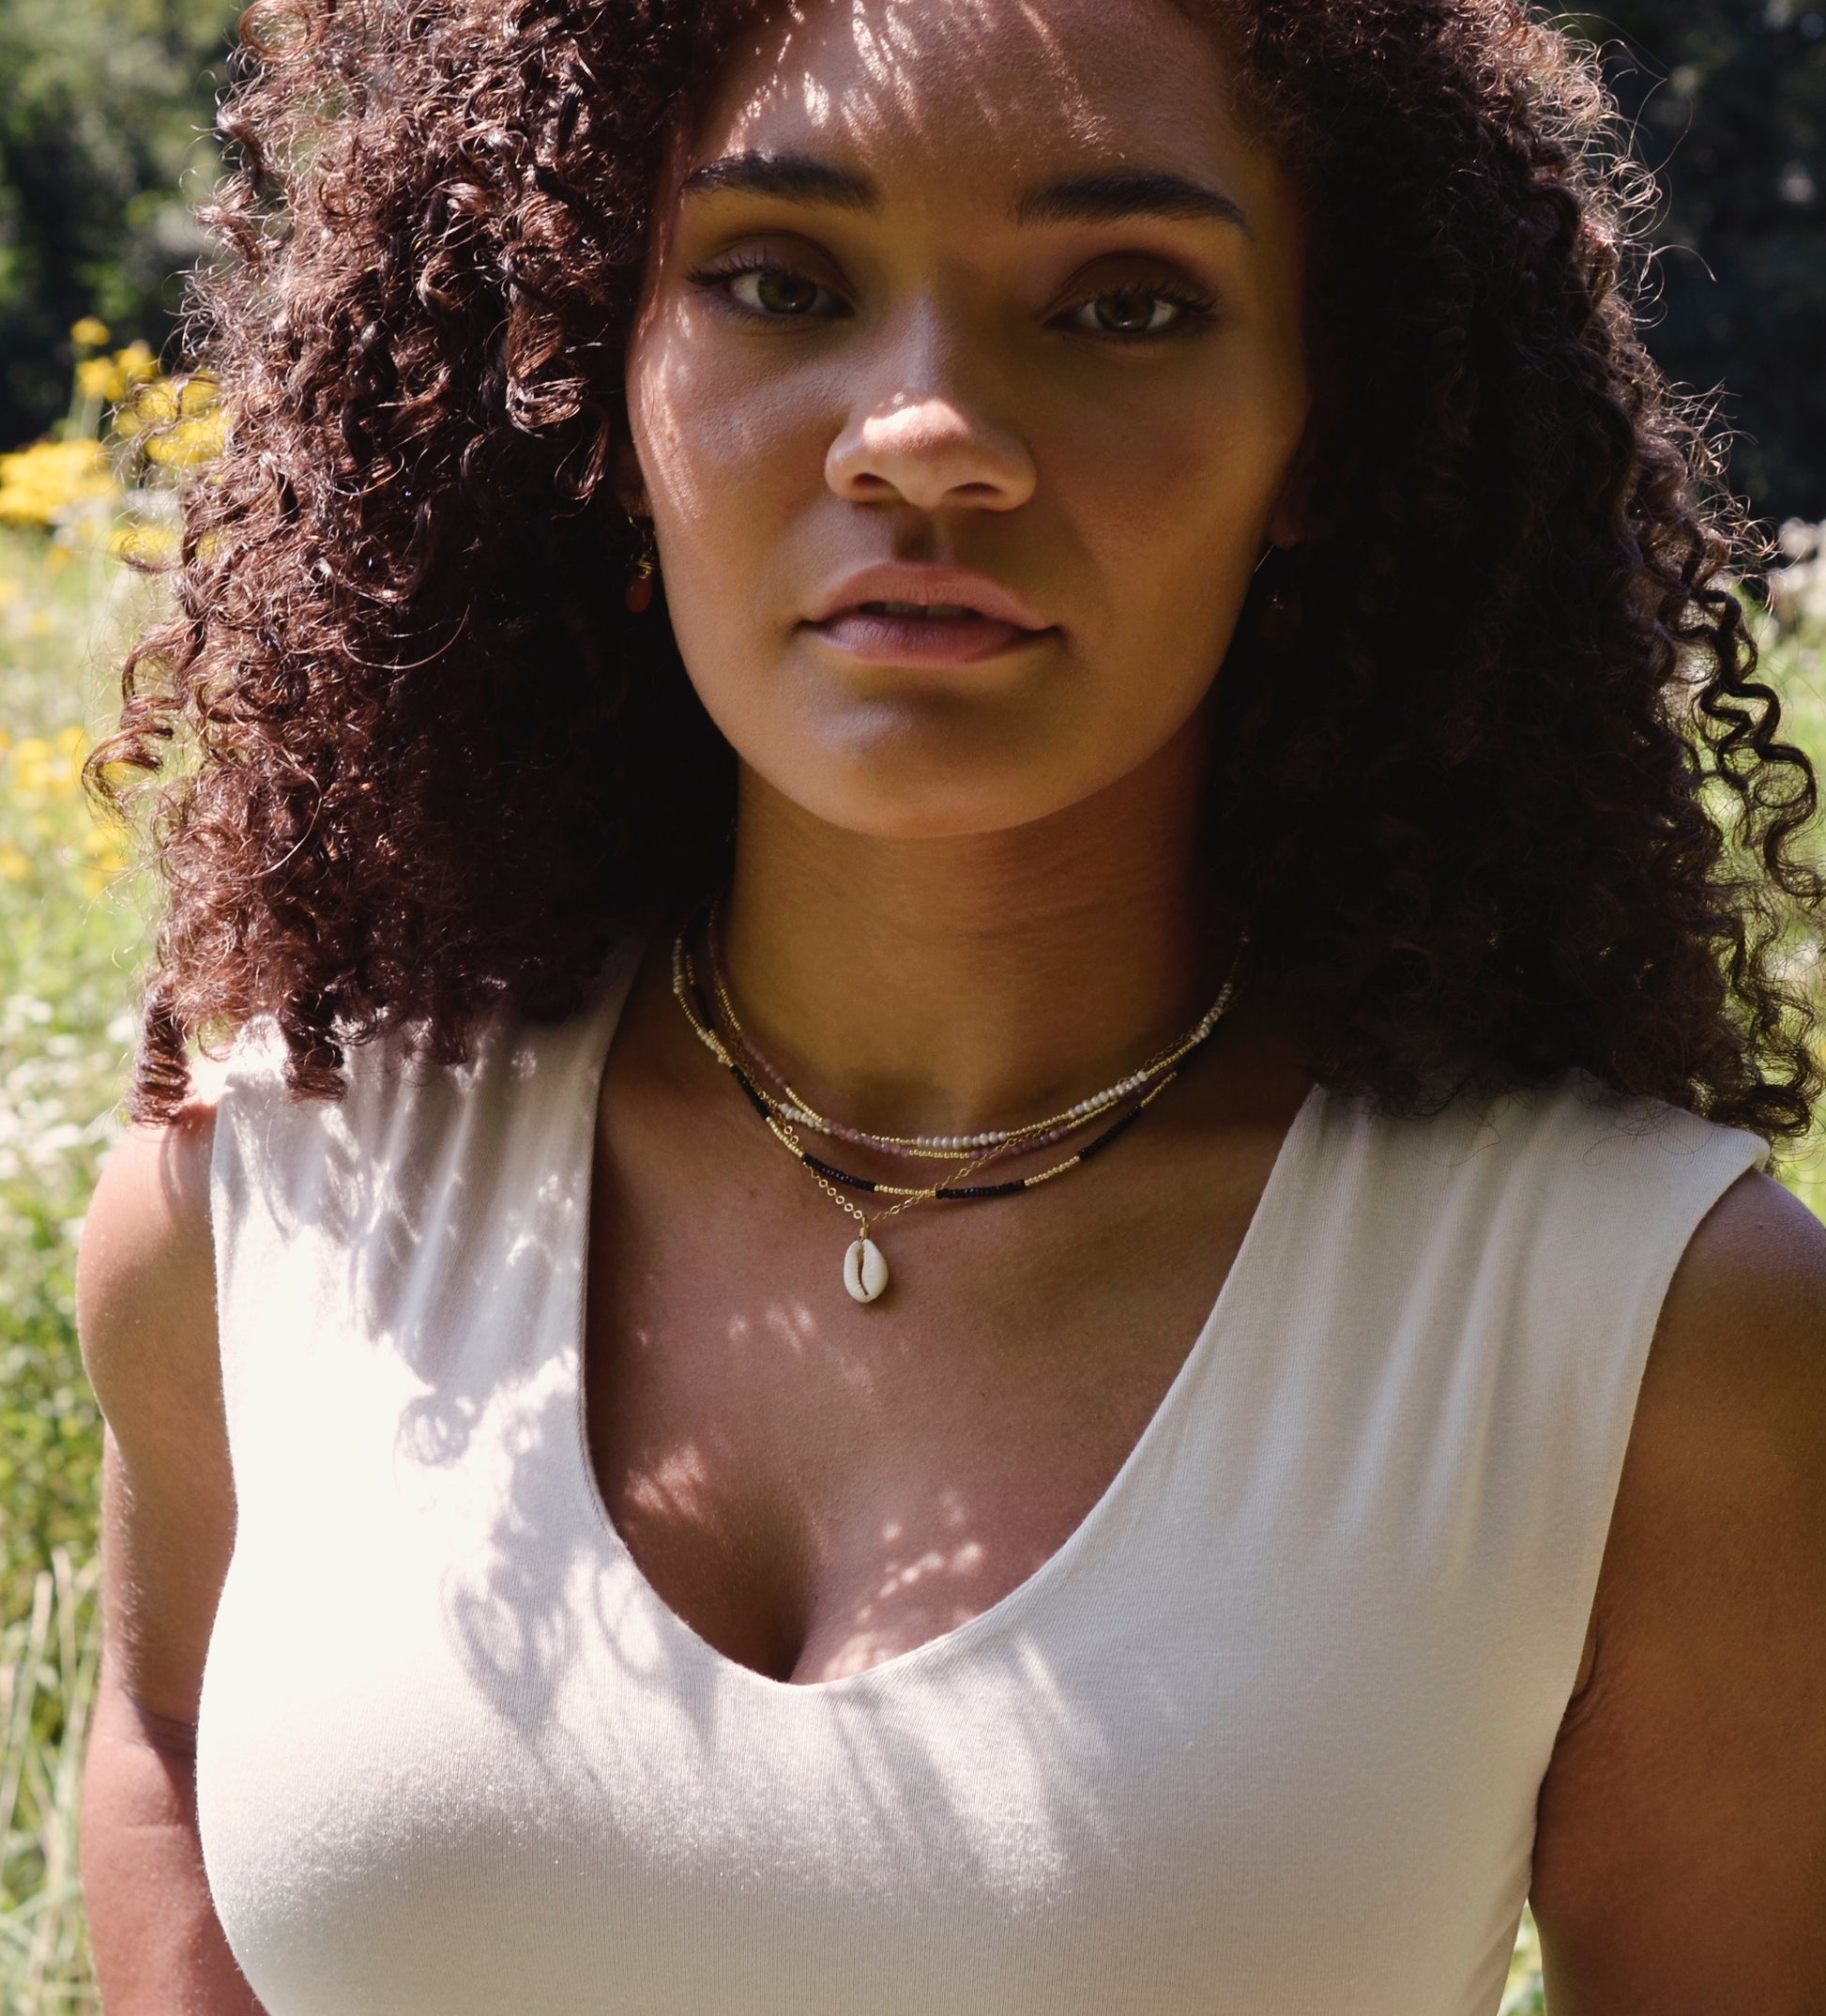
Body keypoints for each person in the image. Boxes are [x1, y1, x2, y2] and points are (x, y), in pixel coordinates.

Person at [72, 0, 1826, 2008]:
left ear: (1320, 434)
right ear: (590, 376)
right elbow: (171, 1748)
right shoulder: (273, 1186)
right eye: (775, 278)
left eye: (1125, 307)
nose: (928, 435)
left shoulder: (1651, 1328)